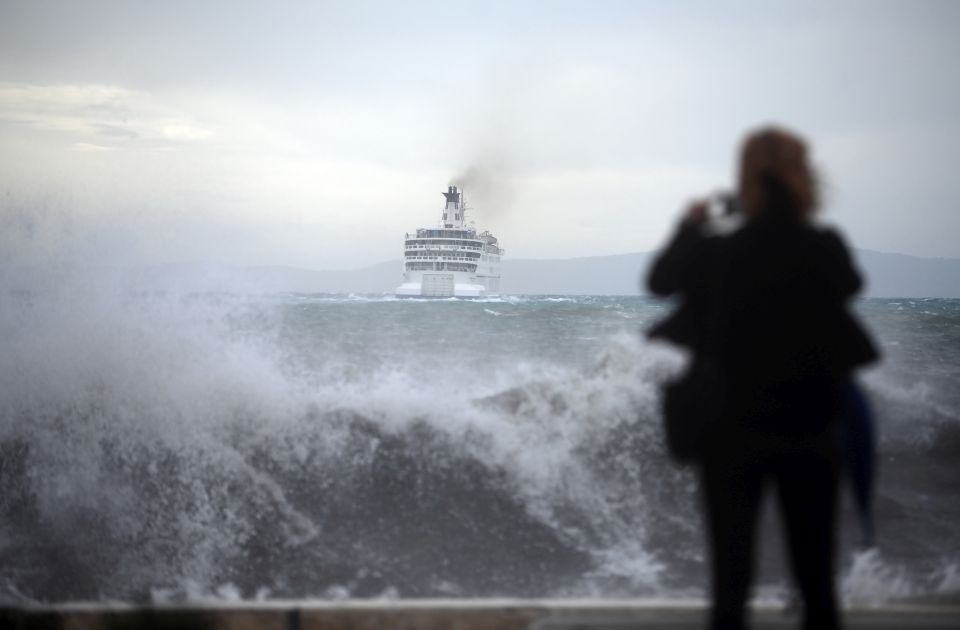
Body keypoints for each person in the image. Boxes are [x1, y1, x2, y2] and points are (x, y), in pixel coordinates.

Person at [647, 127, 878, 630]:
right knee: (816, 581)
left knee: (731, 583)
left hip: (730, 432)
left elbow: (660, 281)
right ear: (803, 179)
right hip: (810, 428)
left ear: (744, 181)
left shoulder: (718, 253)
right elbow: (850, 284)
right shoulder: (822, 246)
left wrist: (691, 226)